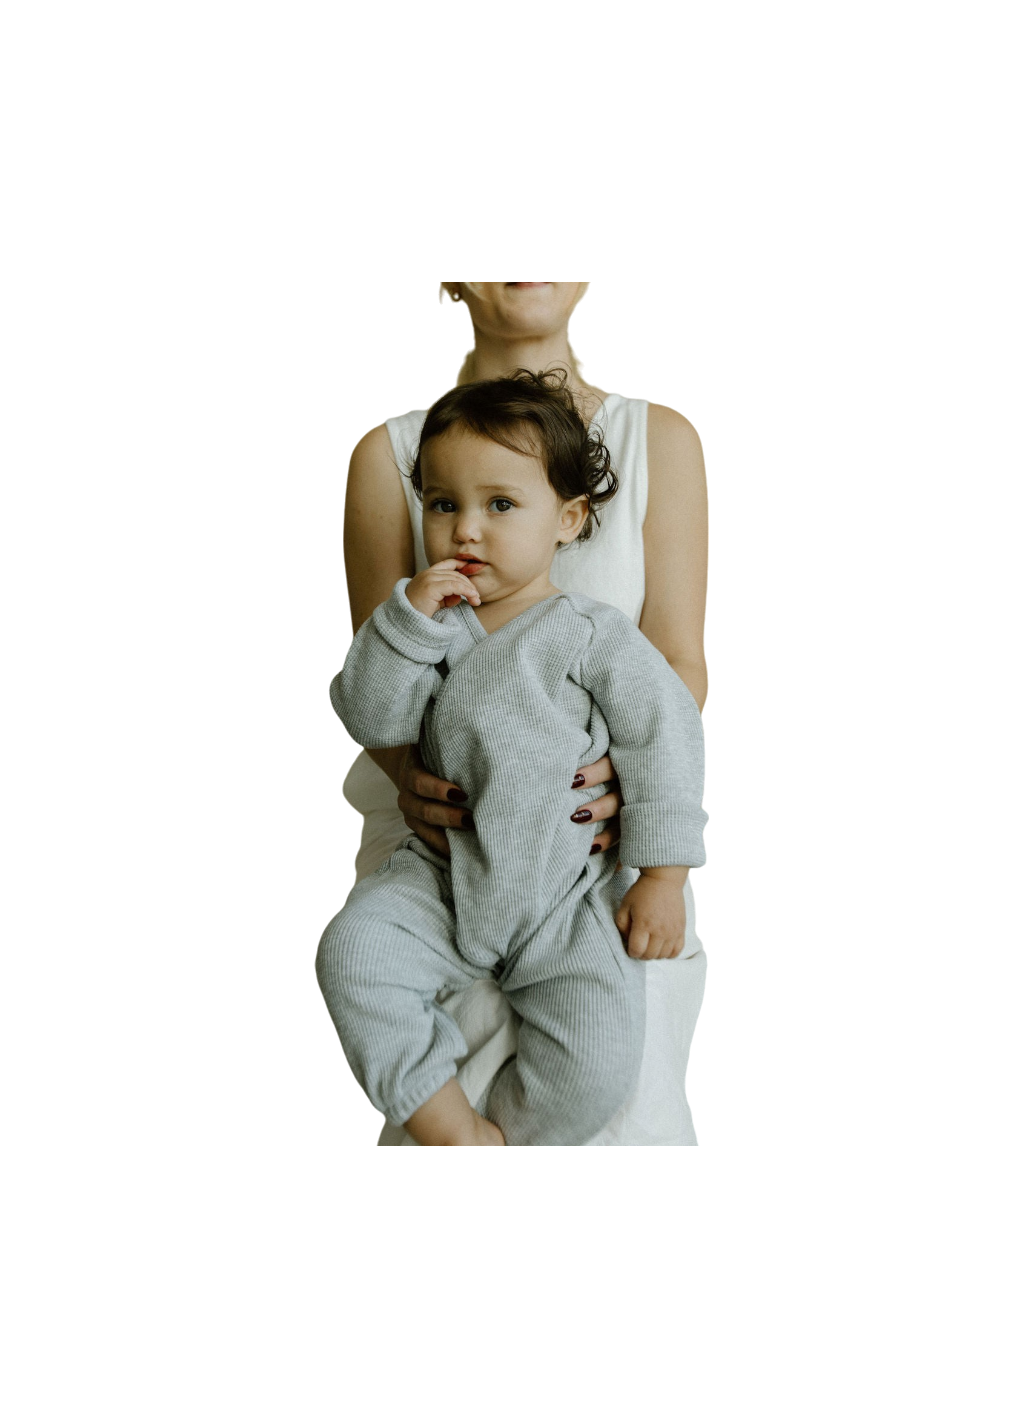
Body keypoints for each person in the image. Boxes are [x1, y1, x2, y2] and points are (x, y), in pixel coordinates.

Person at [336, 282, 709, 1147]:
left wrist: (658, 856)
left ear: (571, 517)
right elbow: (371, 706)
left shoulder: (658, 441)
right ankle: (456, 1131)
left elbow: (672, 685)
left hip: (583, 864)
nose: (467, 531)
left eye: (502, 505)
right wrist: (408, 638)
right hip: (436, 857)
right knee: (356, 960)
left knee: (607, 1081)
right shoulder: (391, 453)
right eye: (444, 506)